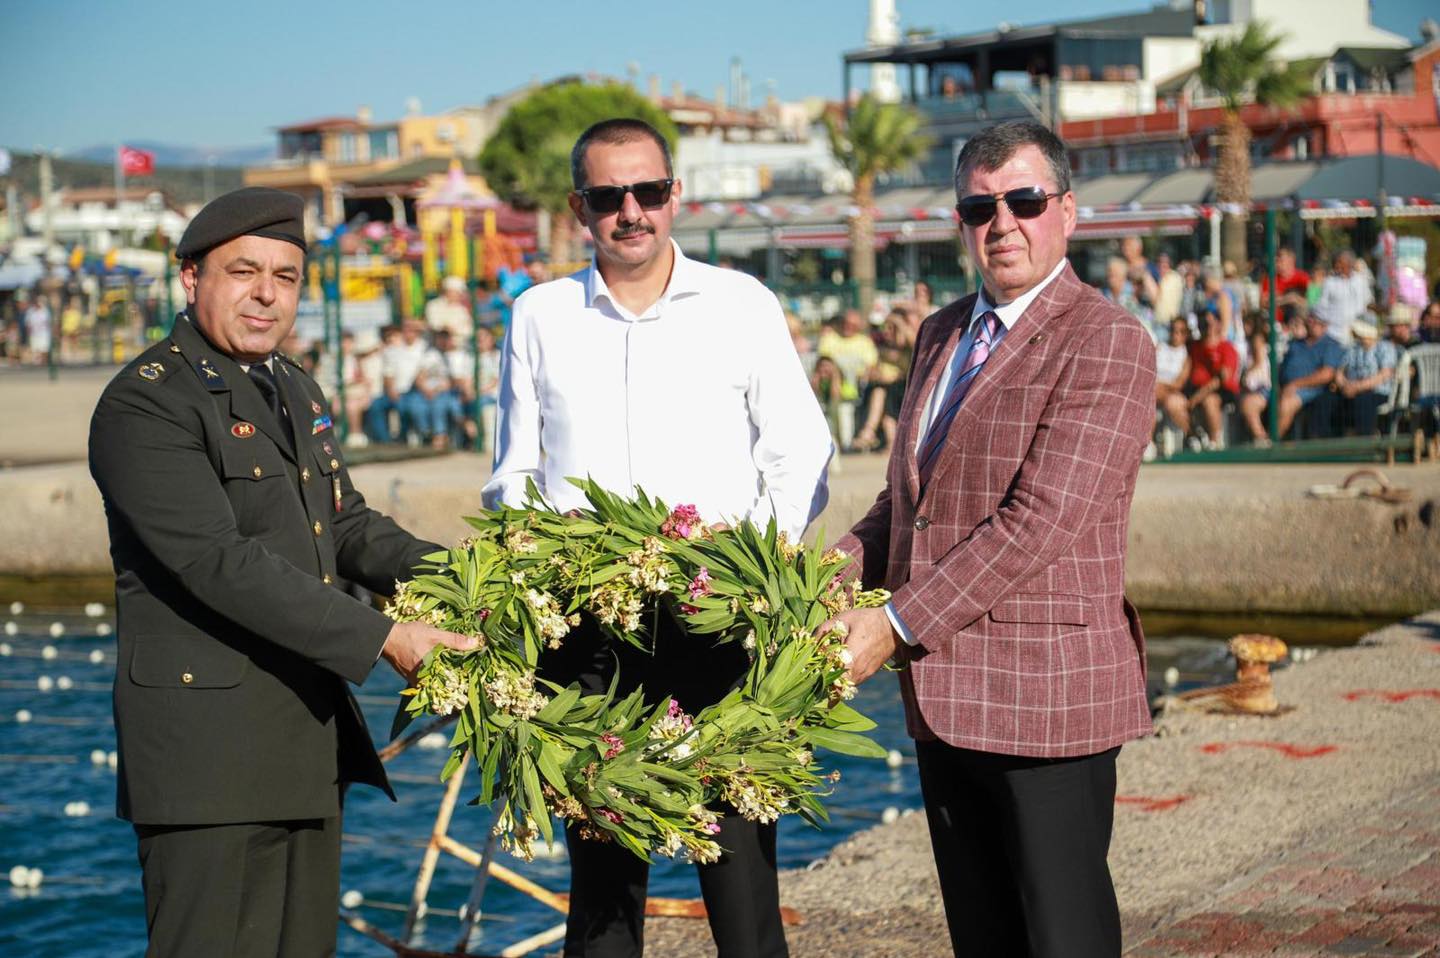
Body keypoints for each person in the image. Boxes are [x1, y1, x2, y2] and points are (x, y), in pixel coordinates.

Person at [86, 187, 475, 957]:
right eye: (244, 270)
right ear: (191, 278)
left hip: (304, 740)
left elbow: (349, 525)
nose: (267, 292)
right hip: (207, 763)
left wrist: (473, 576)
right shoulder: (147, 405)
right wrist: (388, 637)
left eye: (287, 276)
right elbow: (217, 562)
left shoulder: (291, 385)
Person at [482, 118, 831, 958]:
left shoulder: (742, 303)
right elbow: (512, 472)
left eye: (648, 192)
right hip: (589, 629)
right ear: (579, 208)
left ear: (677, 195)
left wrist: (750, 571)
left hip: (720, 624)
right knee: (601, 886)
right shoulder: (538, 315)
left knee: (743, 879)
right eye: (608, 197)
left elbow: (801, 449)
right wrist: (542, 577)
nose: (630, 211)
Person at [828, 120, 1155, 958]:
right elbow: (912, 504)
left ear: (1068, 212)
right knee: (984, 939)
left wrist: (893, 625)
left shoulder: (1108, 340)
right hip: (943, 701)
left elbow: (1040, 521)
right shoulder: (940, 333)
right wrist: (824, 571)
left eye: (1024, 200)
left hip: (1047, 698)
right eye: (980, 206)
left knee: (1063, 937)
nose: (1001, 222)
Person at [851, 307, 914, 452]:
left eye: (891, 328)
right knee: (881, 392)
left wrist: (898, 322)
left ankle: (869, 433)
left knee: (883, 393)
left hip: (905, 389)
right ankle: (884, 439)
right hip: (887, 390)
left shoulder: (909, 346)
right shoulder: (881, 347)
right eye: (884, 328)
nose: (886, 331)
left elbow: (912, 341)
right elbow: (872, 371)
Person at [1274, 306, 1344, 438]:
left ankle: (1272, 442)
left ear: (1325, 325)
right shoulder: (1296, 343)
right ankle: (1260, 437)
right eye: (1310, 320)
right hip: (1283, 386)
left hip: (1312, 389)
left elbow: (1327, 374)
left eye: (1316, 321)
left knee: (1286, 403)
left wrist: (1295, 384)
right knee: (1251, 402)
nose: (1311, 324)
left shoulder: (1331, 345)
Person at [817, 307, 879, 450]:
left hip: (858, 387)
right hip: (831, 387)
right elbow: (823, 364)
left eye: (852, 325)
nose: (848, 327)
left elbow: (871, 366)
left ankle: (848, 442)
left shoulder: (864, 342)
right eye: (846, 323)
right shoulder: (830, 339)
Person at [1185, 307, 1240, 448]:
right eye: (1203, 323)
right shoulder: (1194, 346)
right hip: (1195, 390)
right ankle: (1194, 438)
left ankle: (1215, 441)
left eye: (1209, 323)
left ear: (1218, 324)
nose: (1206, 327)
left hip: (1222, 391)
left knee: (1210, 400)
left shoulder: (1226, 347)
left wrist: (1198, 396)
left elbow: (1222, 378)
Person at [1335, 319, 1397, 436]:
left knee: (1364, 400)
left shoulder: (1385, 347)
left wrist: (1357, 387)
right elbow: (1340, 372)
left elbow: (1384, 374)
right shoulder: (1353, 349)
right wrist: (1344, 386)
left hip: (1378, 392)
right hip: (1352, 390)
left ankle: (1365, 440)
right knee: (1330, 399)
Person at [1313, 250, 1373, 346]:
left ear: (1350, 263)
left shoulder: (1360, 281)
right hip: (1334, 334)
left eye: (1340, 262)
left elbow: (1368, 303)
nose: (1337, 265)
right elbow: (1320, 307)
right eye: (1335, 262)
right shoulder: (1329, 282)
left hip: (1358, 334)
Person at [1155, 316, 1193, 437]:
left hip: (1170, 392)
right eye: (1173, 330)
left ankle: (1190, 434)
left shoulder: (1186, 357)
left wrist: (1160, 385)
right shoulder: (1159, 348)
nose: (1175, 334)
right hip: (1154, 390)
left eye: (1180, 331)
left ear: (1185, 335)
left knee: (1172, 403)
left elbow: (1179, 384)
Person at [1239, 326, 1274, 446]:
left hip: (1263, 386)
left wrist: (1244, 376)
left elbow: (1259, 361)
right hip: (1253, 387)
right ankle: (1259, 437)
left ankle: (1261, 438)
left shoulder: (1257, 338)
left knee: (1248, 405)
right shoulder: (1248, 342)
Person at [424, 275, 473, 343]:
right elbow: (434, 324)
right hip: (436, 347)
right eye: (457, 292)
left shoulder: (462, 309)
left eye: (460, 293)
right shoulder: (433, 305)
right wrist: (447, 328)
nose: (460, 295)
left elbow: (468, 330)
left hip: (459, 348)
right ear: (448, 291)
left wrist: (453, 329)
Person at [23, 295, 52, 365]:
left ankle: (44, 362)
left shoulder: (46, 311)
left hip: (44, 333)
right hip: (34, 333)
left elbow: (49, 322)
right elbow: (28, 323)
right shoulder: (30, 311)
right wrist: (28, 332)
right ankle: (37, 362)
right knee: (35, 349)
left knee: (44, 348)